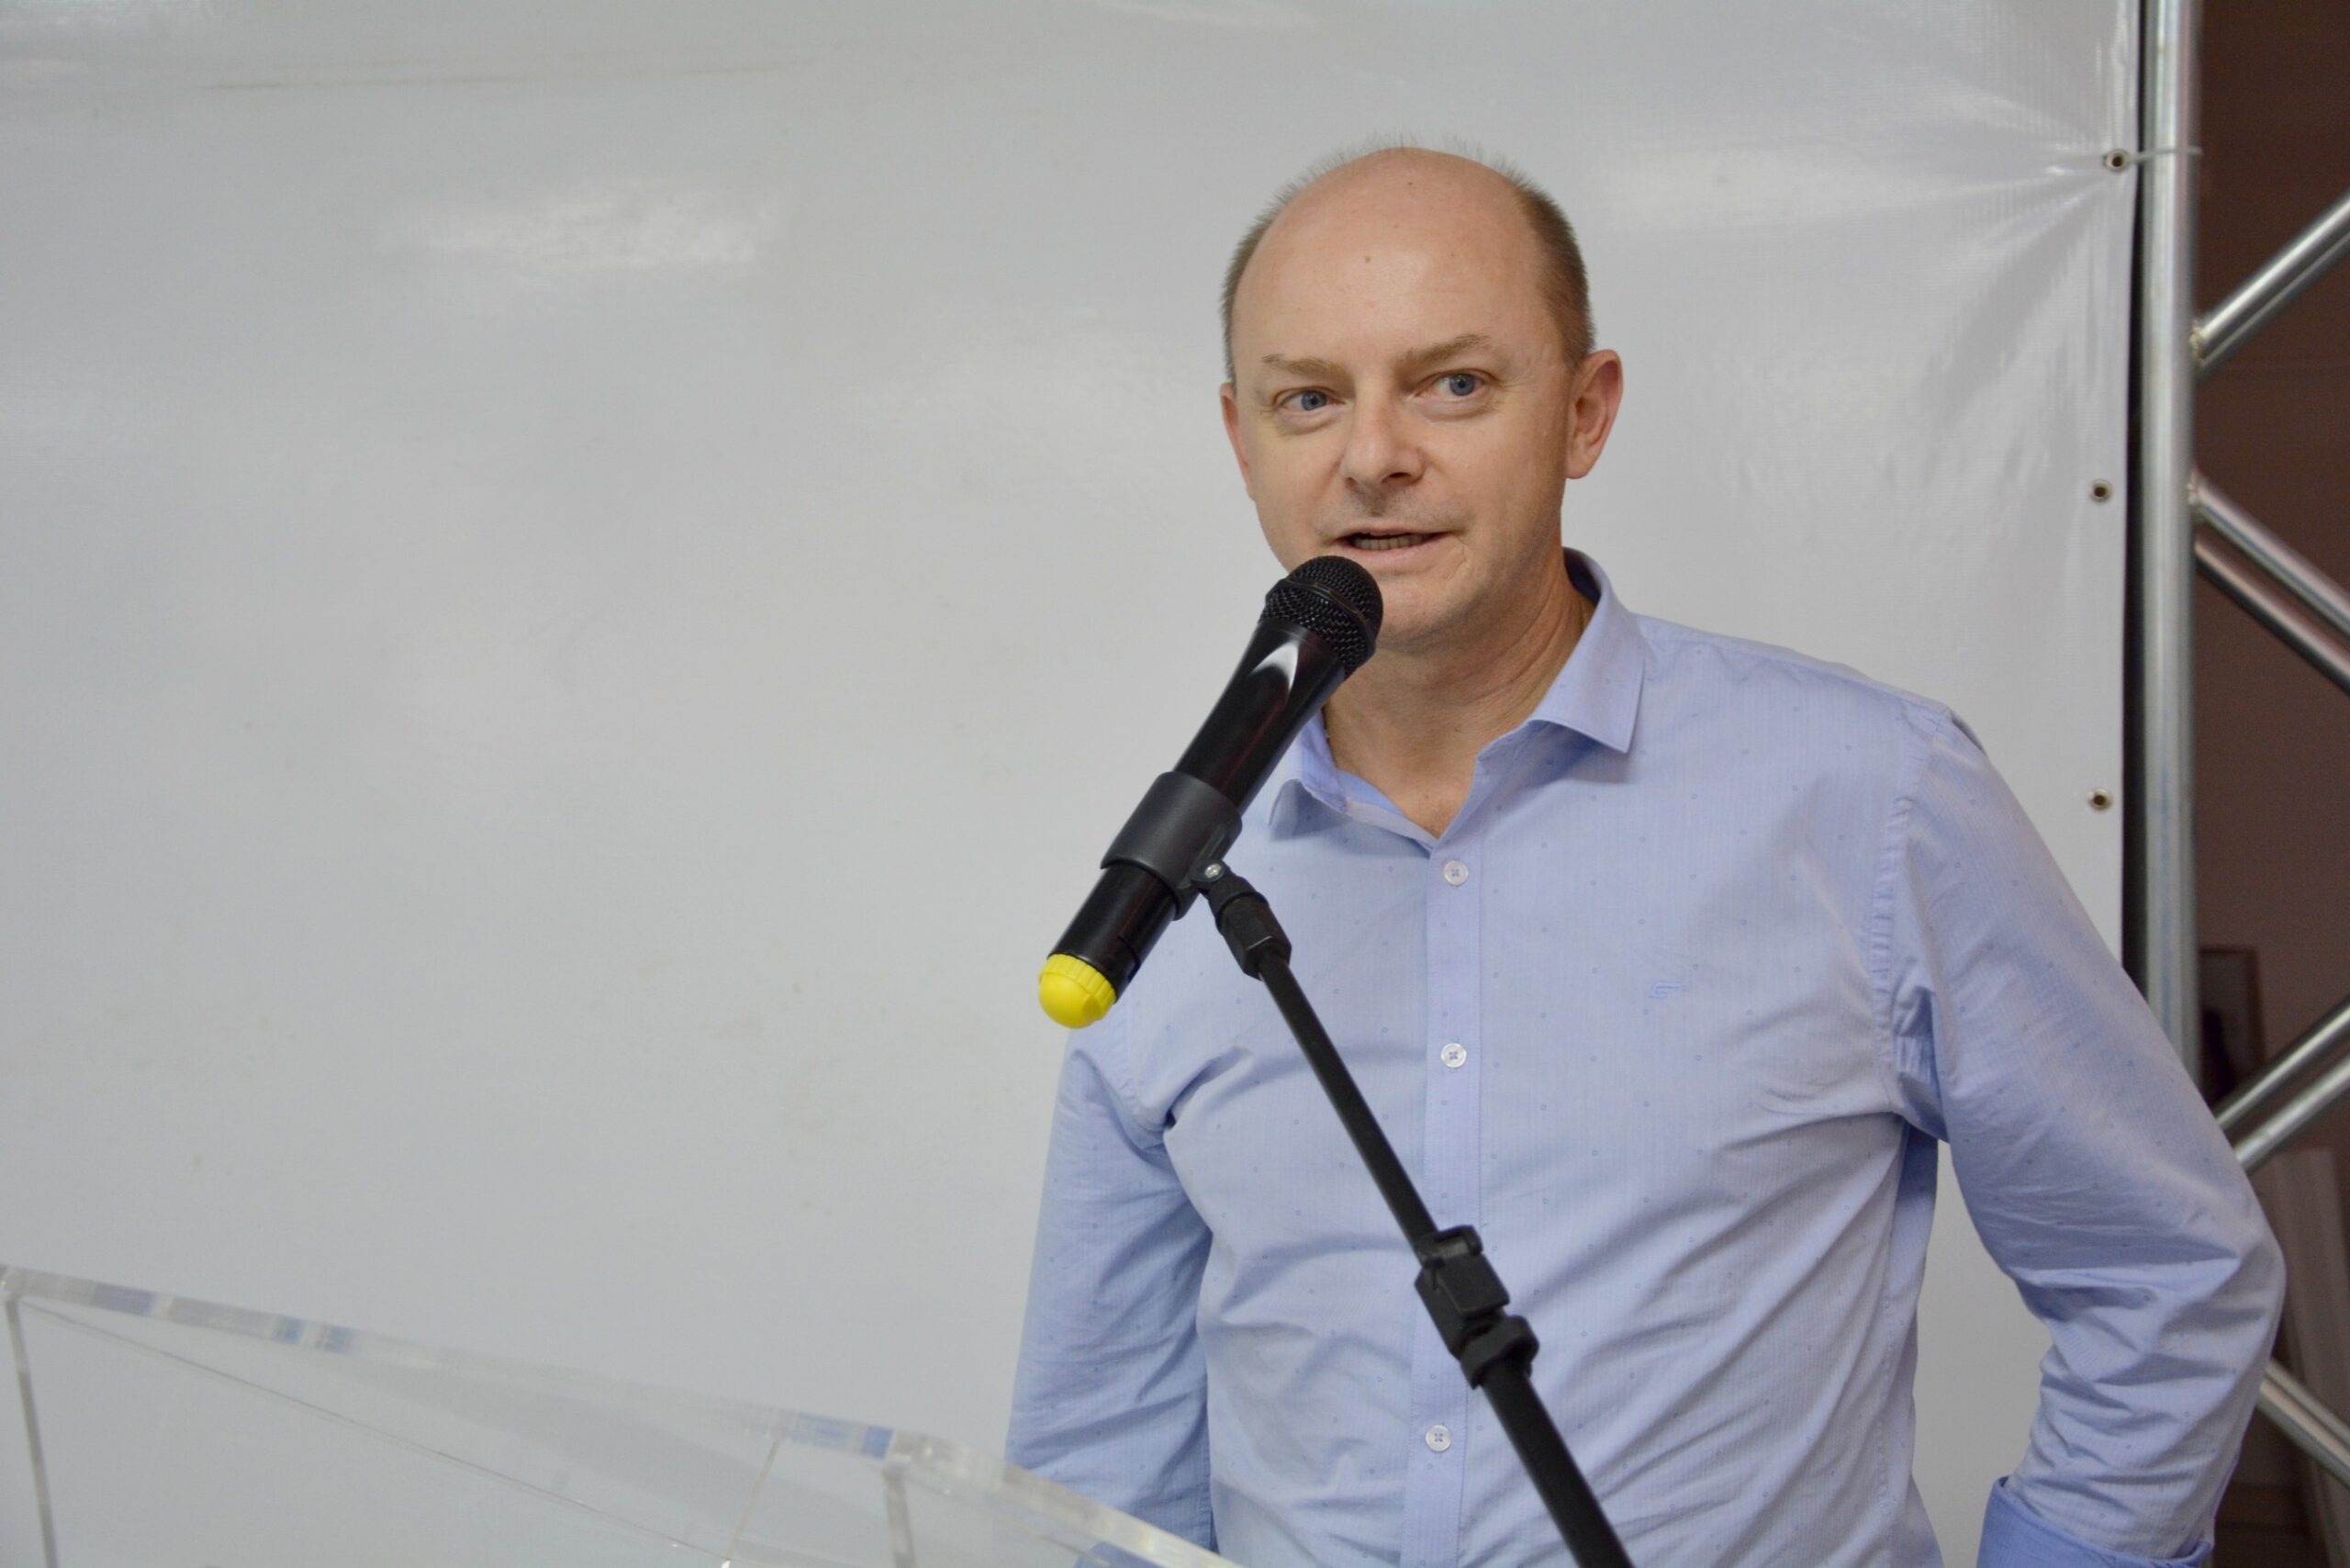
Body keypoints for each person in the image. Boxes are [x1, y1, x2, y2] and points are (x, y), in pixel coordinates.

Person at [1007, 145, 2282, 1567]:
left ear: (1585, 413)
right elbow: (1102, 1448)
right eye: (1309, 398)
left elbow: (2165, 1269)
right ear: (1241, 440)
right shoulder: (1171, 879)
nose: (1372, 456)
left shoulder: (1870, 797)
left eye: (1453, 385)